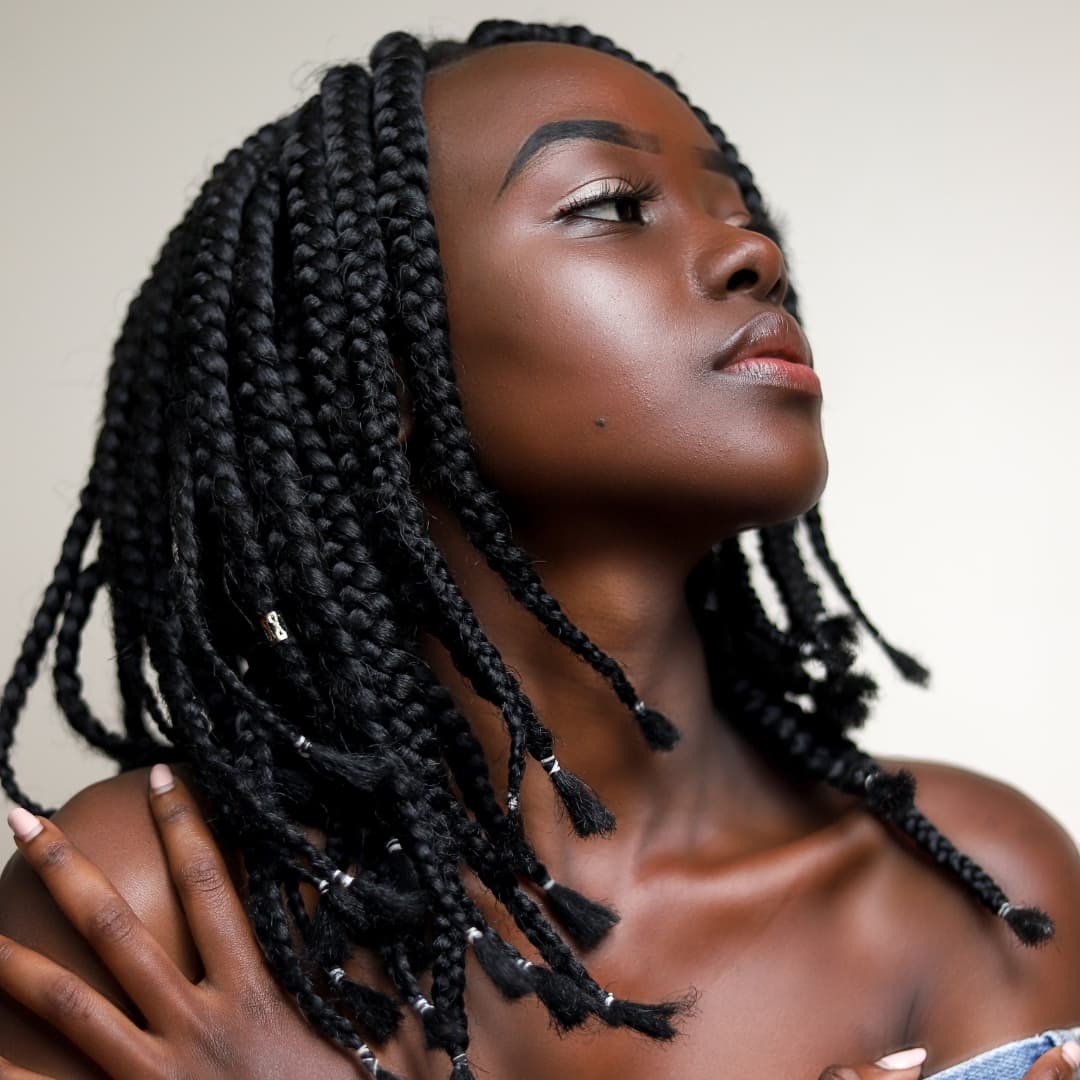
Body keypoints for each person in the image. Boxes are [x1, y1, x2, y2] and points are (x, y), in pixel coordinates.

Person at [0, 18, 1077, 1079]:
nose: (759, 254)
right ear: (386, 365)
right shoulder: (168, 915)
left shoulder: (979, 885)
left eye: (748, 215)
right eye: (613, 206)